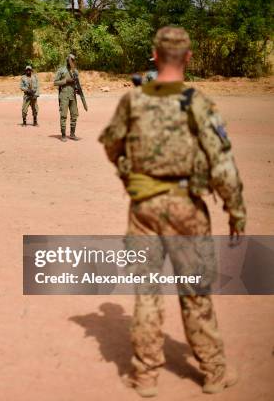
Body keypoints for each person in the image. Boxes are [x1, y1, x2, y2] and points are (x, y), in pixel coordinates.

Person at [99, 26, 245, 397]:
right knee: (195, 291)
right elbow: (222, 163)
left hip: (143, 207)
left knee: (146, 291)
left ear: (155, 55)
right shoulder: (199, 102)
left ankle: (146, 376)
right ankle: (213, 371)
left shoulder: (133, 100)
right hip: (185, 207)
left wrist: (129, 176)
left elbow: (112, 144)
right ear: (189, 57)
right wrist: (235, 210)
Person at [53, 54, 81, 141]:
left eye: (73, 60)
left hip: (73, 96)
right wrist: (65, 81)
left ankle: (72, 134)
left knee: (74, 115)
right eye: (70, 60)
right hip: (64, 96)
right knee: (63, 115)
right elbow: (55, 82)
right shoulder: (61, 70)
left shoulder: (75, 71)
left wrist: (77, 89)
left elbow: (77, 83)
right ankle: (63, 135)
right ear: (67, 61)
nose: (72, 62)